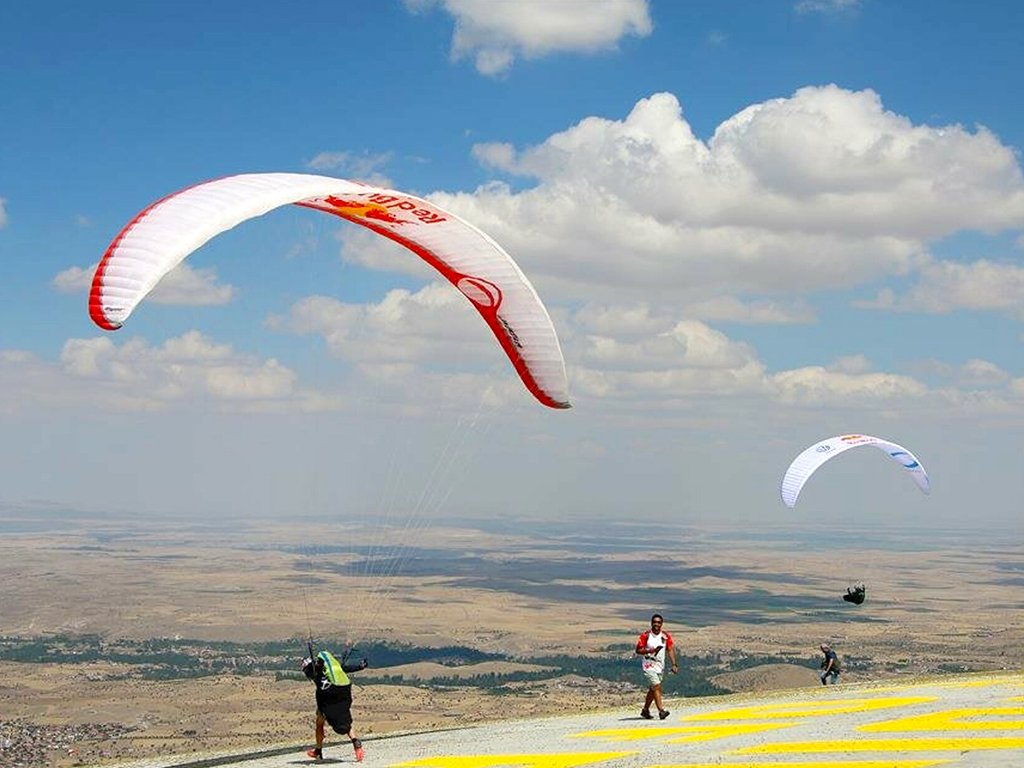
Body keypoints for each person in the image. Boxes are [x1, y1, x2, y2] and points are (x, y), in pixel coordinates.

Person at [302, 649, 368, 762]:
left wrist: (308, 664)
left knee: (320, 722)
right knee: (344, 719)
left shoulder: (315, 671)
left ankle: (318, 751)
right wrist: (360, 666)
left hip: (326, 699)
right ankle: (355, 741)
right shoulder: (331, 669)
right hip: (342, 694)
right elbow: (344, 669)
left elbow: (309, 671)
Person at [635, 613, 678, 720]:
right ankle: (661, 711)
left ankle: (645, 710)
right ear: (651, 623)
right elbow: (638, 650)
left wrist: (674, 664)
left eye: (658, 622)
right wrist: (650, 650)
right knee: (657, 686)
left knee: (653, 689)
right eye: (654, 622)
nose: (656, 624)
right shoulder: (646, 635)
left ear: (662, 624)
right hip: (648, 664)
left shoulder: (665, 636)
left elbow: (670, 649)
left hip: (659, 665)